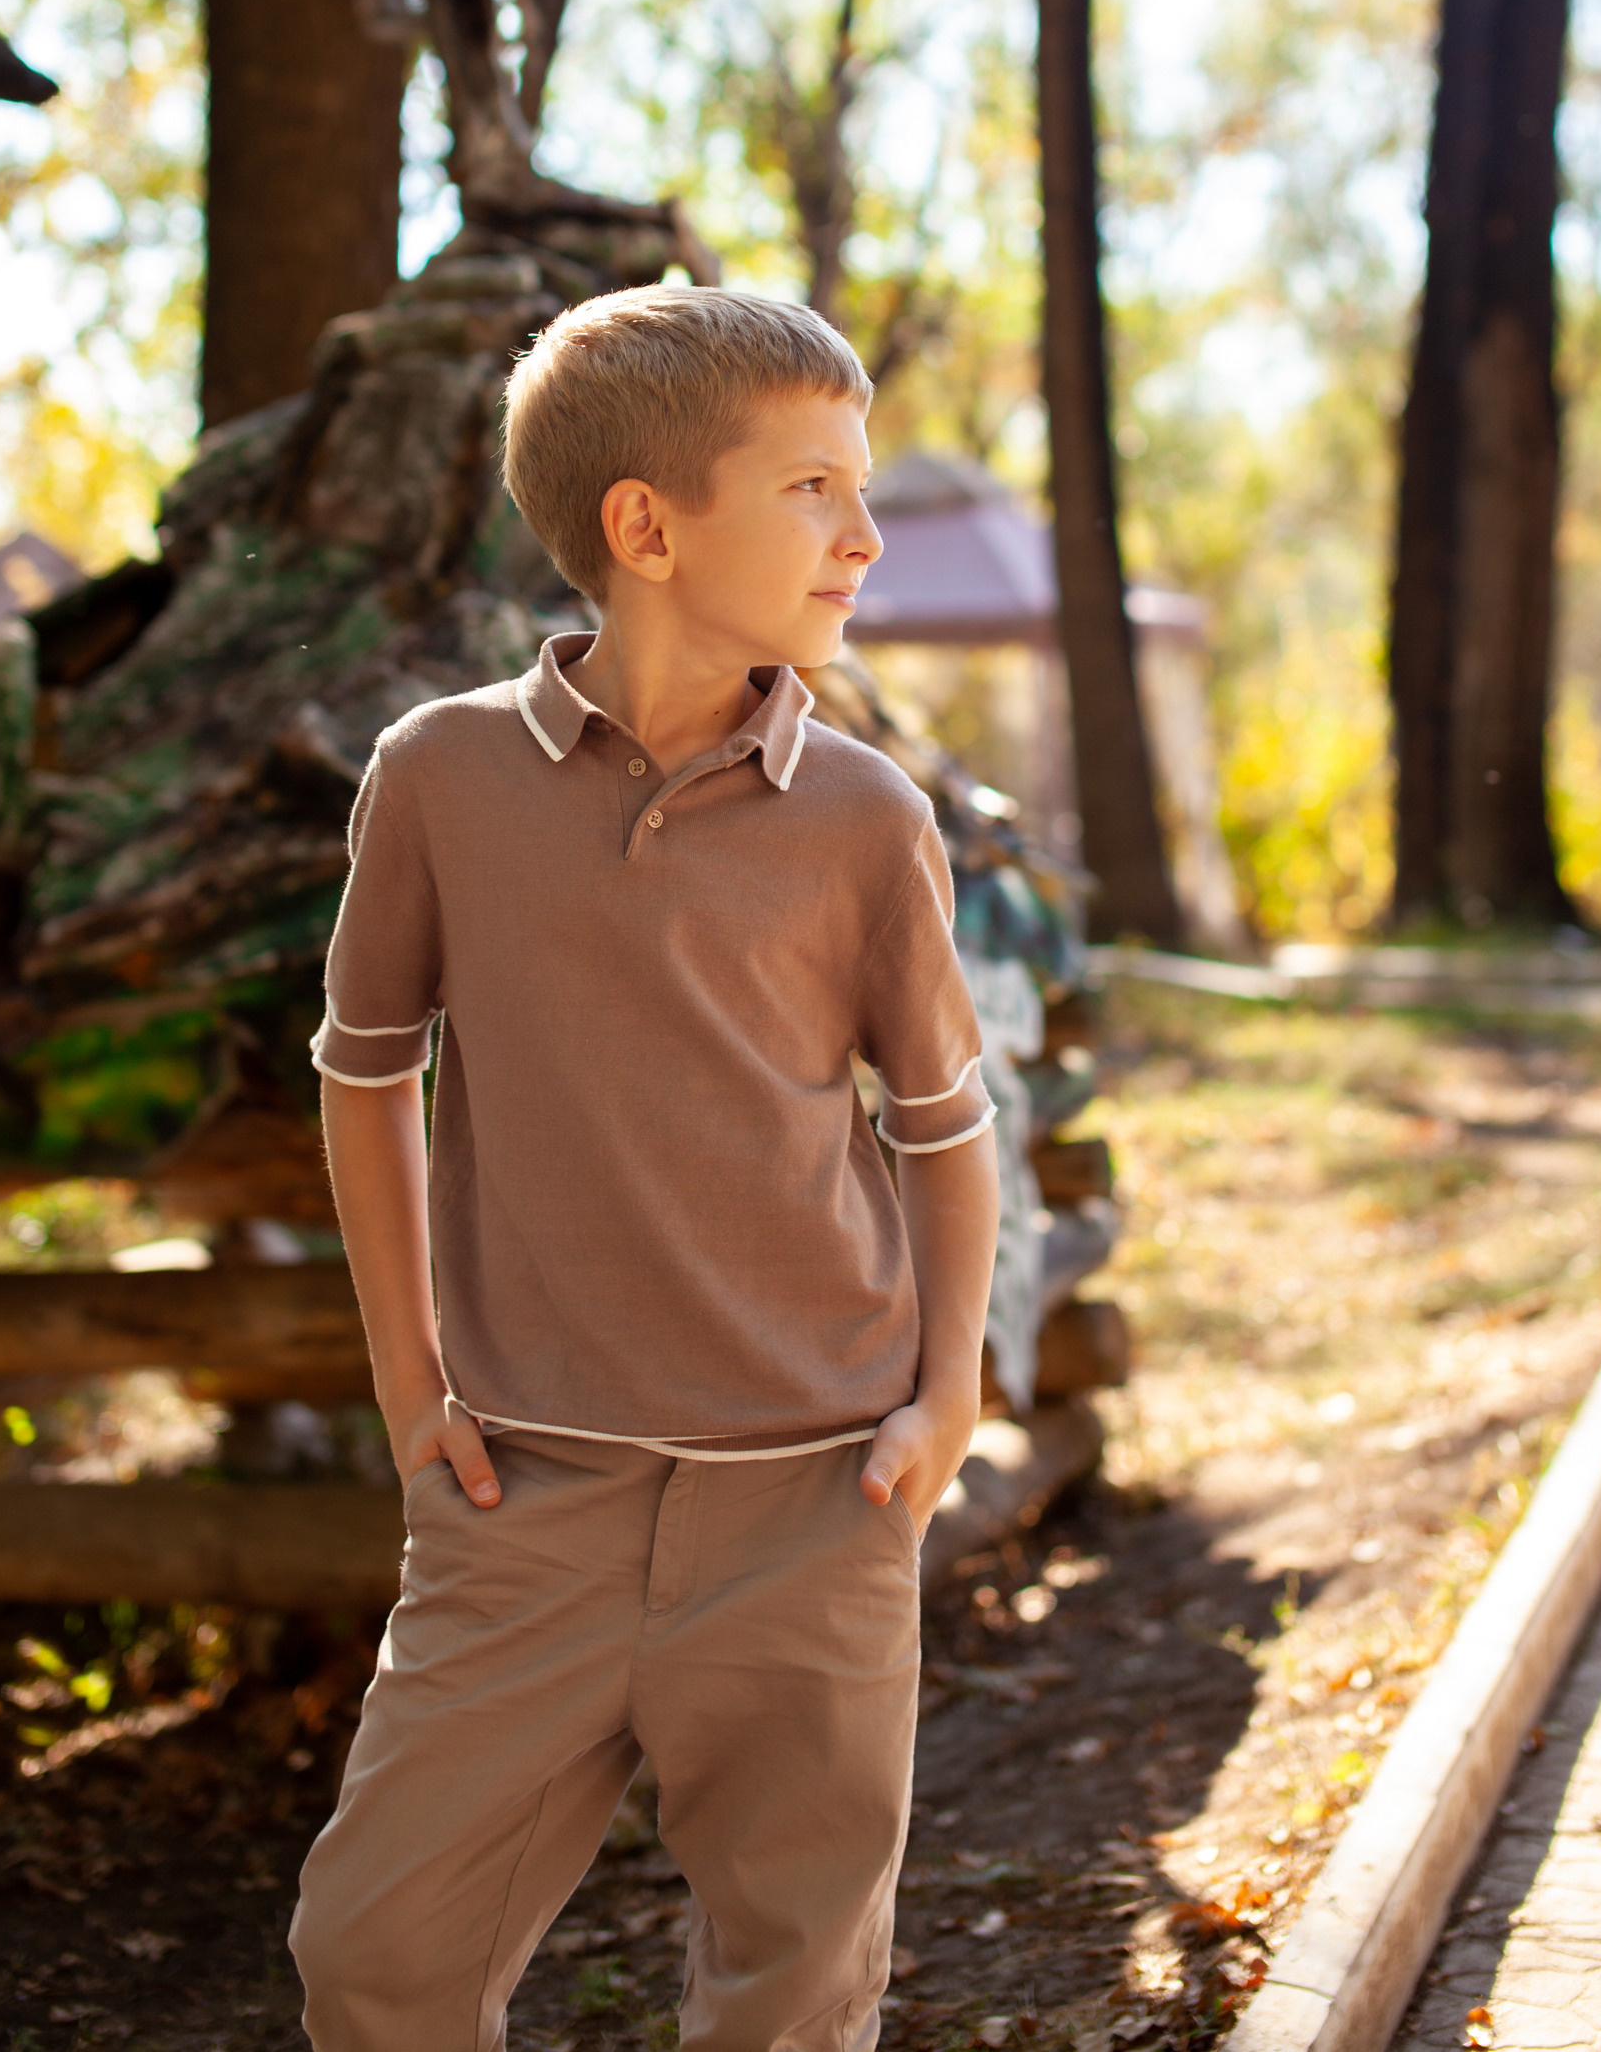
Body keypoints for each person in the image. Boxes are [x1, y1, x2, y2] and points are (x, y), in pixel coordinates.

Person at [290, 284, 1001, 2052]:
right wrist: (409, 1384)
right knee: (375, 1957)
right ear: (645, 526)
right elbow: (366, 1075)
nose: (862, 535)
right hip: (524, 1505)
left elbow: (942, 1126)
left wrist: (947, 1398)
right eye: (814, 489)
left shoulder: (866, 816)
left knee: (791, 1992)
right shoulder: (440, 777)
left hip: (816, 1502)